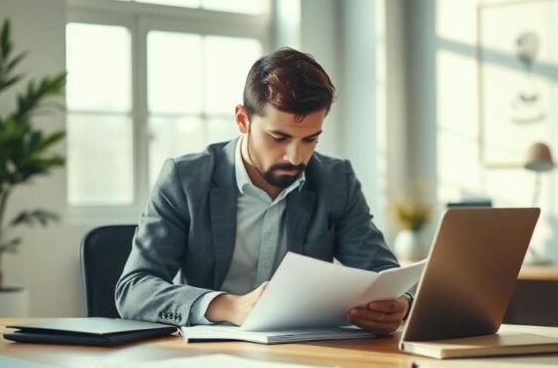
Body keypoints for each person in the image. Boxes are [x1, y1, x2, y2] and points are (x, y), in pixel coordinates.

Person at [115, 47, 409, 334]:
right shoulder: (185, 179)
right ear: (243, 120)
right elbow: (134, 289)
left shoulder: (336, 180)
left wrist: (399, 304)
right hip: (209, 352)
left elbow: (382, 272)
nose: (296, 157)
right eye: (279, 138)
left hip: (305, 351)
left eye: (310, 139)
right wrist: (229, 306)